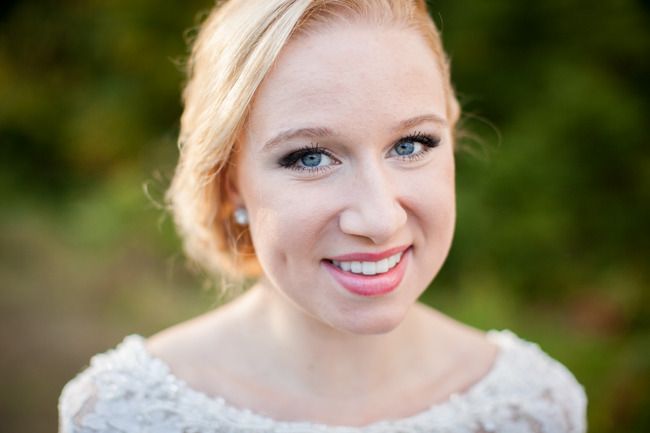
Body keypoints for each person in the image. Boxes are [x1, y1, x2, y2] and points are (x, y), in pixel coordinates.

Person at [58, 0, 587, 431]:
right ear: (229, 185)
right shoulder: (122, 414)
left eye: (411, 144)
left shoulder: (535, 406)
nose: (379, 219)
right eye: (309, 156)